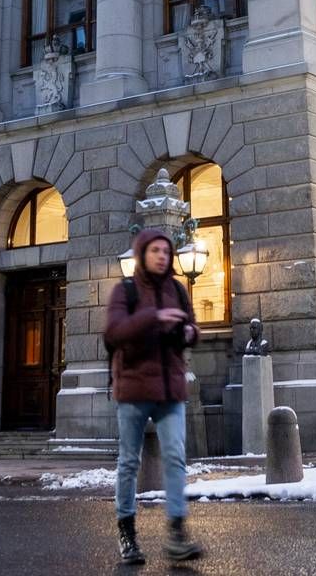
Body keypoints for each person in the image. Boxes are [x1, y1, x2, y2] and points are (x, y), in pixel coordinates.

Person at [103, 227, 203, 565]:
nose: (162, 256)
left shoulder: (177, 288)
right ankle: (127, 534)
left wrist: (189, 332)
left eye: (166, 251)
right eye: (155, 250)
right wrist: (153, 316)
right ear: (142, 254)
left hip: (170, 389)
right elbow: (114, 331)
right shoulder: (126, 290)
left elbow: (192, 327)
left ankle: (176, 534)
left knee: (175, 457)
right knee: (129, 462)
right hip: (133, 388)